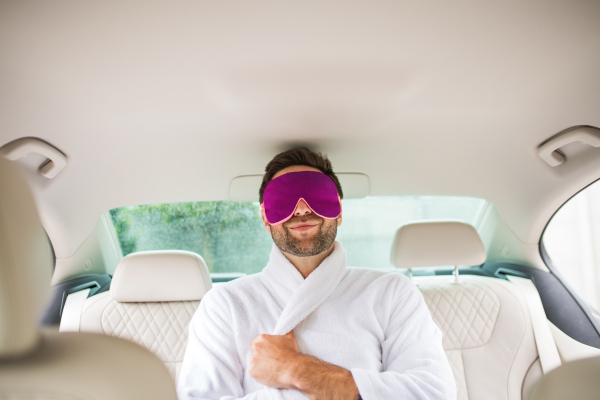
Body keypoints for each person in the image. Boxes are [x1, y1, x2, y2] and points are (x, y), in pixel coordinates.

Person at [177, 148, 457, 400]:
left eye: (315, 195)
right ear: (265, 218)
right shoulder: (224, 305)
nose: (301, 208)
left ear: (339, 211)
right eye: (284, 198)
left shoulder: (392, 292)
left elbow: (434, 393)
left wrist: (296, 369)